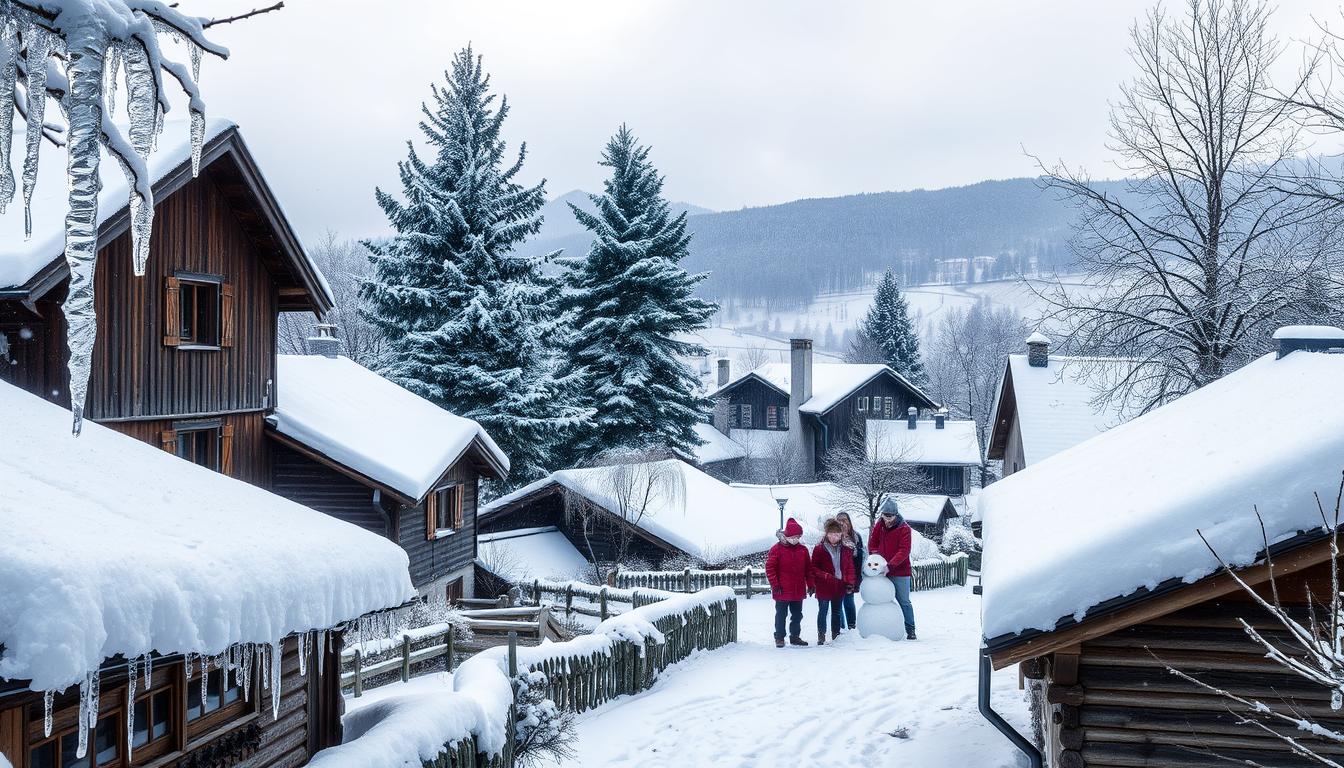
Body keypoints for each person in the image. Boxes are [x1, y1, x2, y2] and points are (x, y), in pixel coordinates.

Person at [869, 497, 916, 639]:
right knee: (883, 601)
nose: (887, 520)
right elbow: (872, 543)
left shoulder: (904, 529)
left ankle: (911, 629)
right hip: (882, 570)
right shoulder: (879, 525)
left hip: (900, 572)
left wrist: (890, 565)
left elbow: (904, 551)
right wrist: (875, 558)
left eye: (890, 517)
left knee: (904, 601)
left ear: (896, 515)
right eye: (884, 516)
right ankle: (885, 628)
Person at [765, 517, 813, 648]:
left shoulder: (803, 550)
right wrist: (775, 585)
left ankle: (795, 637)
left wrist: (811, 584)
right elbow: (770, 568)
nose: (795, 539)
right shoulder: (776, 549)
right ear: (786, 535)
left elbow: (808, 569)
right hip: (782, 589)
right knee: (781, 615)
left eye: (798, 537)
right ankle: (779, 637)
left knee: (797, 615)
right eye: (792, 537)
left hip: (798, 589)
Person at [811, 518, 856, 645]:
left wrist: (850, 583)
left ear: (841, 534)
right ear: (827, 534)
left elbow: (850, 568)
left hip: (839, 585)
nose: (834, 537)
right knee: (823, 610)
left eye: (837, 534)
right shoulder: (819, 549)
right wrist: (824, 575)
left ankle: (835, 635)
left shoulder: (846, 550)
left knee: (836, 612)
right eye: (831, 534)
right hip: (824, 585)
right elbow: (813, 567)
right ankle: (821, 634)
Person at [835, 511, 864, 632]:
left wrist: (857, 578)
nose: (842, 522)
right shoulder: (833, 535)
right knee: (838, 602)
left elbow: (860, 556)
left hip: (851, 574)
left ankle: (852, 627)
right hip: (837, 575)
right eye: (839, 520)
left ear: (849, 521)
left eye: (844, 519)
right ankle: (841, 628)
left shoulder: (856, 536)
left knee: (849, 600)